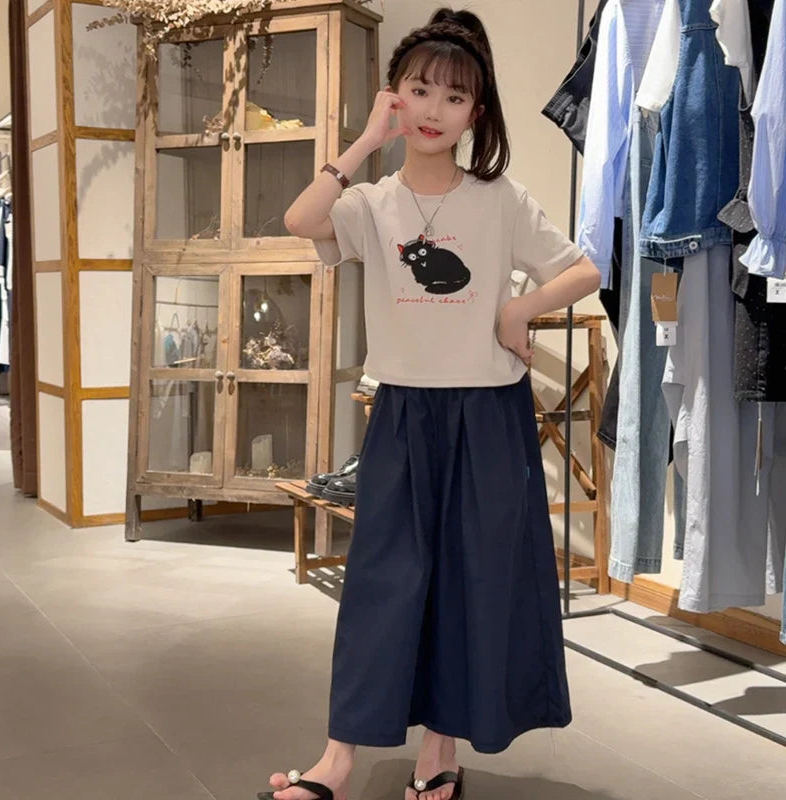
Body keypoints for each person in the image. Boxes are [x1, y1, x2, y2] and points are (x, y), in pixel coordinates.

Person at [260, 8, 601, 800]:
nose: (434, 110)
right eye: (419, 91)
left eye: (454, 97)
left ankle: (437, 755)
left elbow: (584, 270)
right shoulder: (370, 203)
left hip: (490, 418)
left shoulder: (499, 199)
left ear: (475, 114)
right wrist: (362, 142)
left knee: (469, 585)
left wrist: (518, 310)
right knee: (381, 584)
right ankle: (337, 761)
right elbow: (301, 219)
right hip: (405, 416)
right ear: (395, 99)